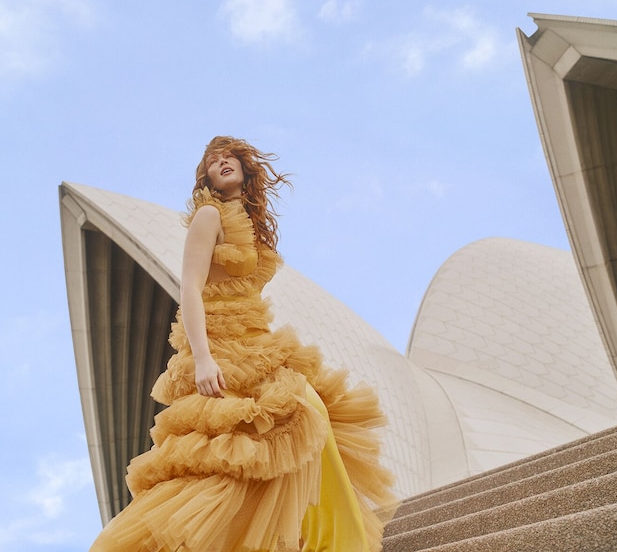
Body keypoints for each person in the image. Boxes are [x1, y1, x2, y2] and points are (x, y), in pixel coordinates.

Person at [90, 136, 397, 551]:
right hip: (220, 345)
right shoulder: (208, 216)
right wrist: (202, 359)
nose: (221, 161)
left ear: (244, 166)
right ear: (207, 177)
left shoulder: (247, 223)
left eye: (228, 155)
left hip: (256, 340)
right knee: (239, 450)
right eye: (212, 161)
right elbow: (191, 290)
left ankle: (322, 541)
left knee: (304, 423)